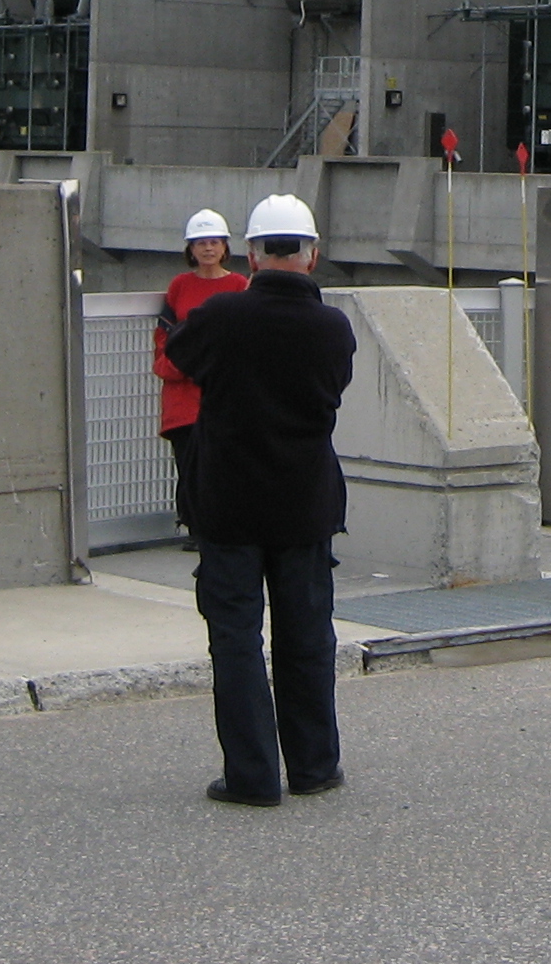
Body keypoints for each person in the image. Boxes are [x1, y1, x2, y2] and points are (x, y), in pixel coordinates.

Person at [166, 191, 357, 806]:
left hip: (228, 502)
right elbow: (334, 387)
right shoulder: (332, 328)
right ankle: (314, 765)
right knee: (307, 635)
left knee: (235, 638)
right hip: (305, 501)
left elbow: (180, 354)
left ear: (250, 255)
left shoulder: (221, 316)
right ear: (312, 255)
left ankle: (251, 776)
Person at [155, 209, 252, 543]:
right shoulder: (179, 286)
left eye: (214, 242)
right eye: (201, 243)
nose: (208, 248)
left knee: (225, 467)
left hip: (224, 397)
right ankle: (196, 529)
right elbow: (163, 338)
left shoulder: (239, 286)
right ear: (191, 249)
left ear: (225, 247)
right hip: (183, 399)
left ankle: (221, 528)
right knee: (189, 466)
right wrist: (176, 368)